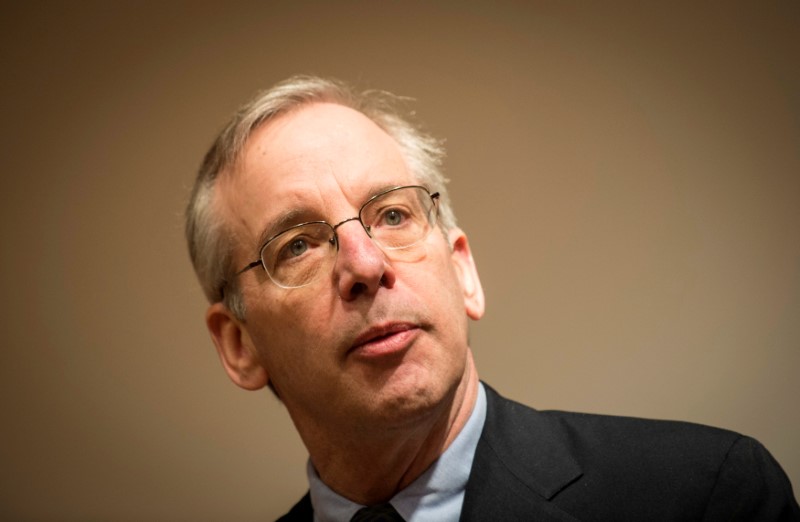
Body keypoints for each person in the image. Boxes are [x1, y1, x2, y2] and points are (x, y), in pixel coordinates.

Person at [186, 75, 799, 521]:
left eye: (393, 214)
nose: (365, 266)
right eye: (297, 246)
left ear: (463, 272)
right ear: (240, 346)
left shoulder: (708, 497)